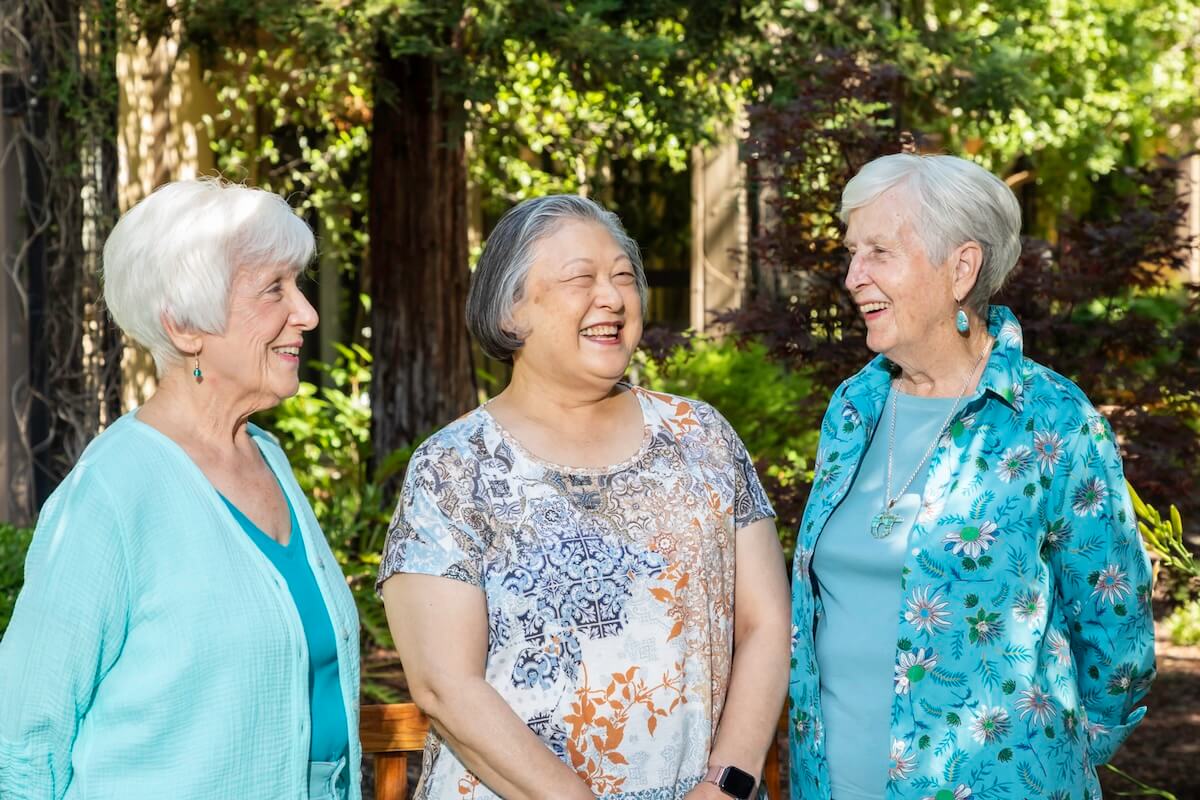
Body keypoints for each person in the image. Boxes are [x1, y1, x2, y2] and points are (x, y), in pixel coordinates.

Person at [378, 194, 791, 799]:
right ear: (510, 311)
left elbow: (766, 621)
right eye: (581, 279)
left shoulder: (702, 439)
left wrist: (725, 785)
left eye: (624, 276)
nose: (613, 297)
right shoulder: (451, 468)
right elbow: (444, 684)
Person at [786, 153, 1156, 800]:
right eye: (852, 253)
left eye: (878, 252)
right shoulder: (852, 409)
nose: (852, 277)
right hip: (831, 782)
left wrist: (1038, 758)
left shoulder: (1054, 422)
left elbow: (1116, 641)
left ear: (961, 268)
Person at [0, 179, 361, 800]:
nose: (307, 313)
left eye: (298, 285)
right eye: (274, 289)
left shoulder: (267, 458)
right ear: (185, 326)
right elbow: (22, 740)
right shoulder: (113, 491)